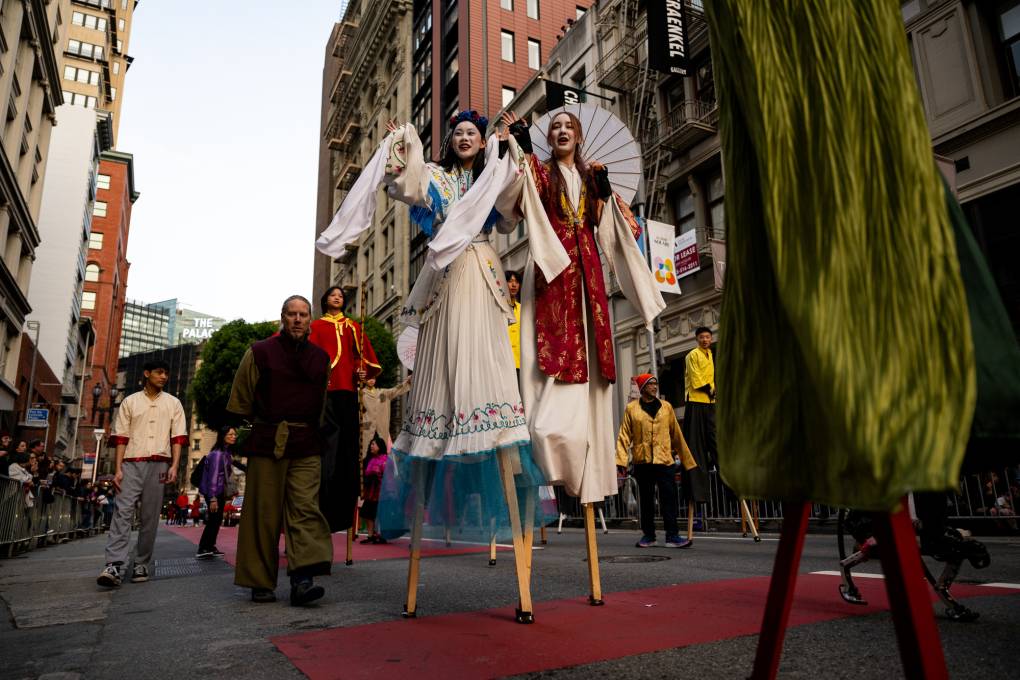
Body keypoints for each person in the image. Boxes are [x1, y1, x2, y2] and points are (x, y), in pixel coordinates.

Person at [503, 109, 666, 603]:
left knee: (592, 370)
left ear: (577, 135)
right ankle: (549, 452)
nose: (561, 133)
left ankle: (588, 468)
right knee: (548, 365)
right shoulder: (538, 171)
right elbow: (517, 203)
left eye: (567, 127)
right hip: (551, 273)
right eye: (554, 128)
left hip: (588, 274)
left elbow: (609, 225)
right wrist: (513, 144)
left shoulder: (594, 175)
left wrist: (602, 189)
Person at [227, 295, 334, 606]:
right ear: (283, 318)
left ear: (310, 320)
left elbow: (322, 407)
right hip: (267, 441)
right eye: (292, 314)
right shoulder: (259, 352)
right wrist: (232, 429)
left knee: (305, 510)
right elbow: (241, 399)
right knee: (264, 512)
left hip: (306, 442)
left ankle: (303, 580)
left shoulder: (320, 358)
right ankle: (260, 581)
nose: (298, 319)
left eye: (303, 314)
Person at [96, 360, 187, 588]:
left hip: (159, 465)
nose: (164, 376)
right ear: (147, 374)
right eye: (159, 372)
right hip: (130, 463)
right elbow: (121, 438)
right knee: (122, 512)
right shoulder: (130, 402)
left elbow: (177, 438)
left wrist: (174, 466)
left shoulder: (174, 403)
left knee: (150, 516)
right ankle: (114, 564)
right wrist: (117, 469)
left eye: (166, 373)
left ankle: (141, 563)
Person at [308, 285, 381, 535]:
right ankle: (322, 494)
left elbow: (361, 357)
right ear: (325, 299)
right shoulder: (316, 327)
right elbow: (309, 357)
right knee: (328, 443)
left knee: (348, 446)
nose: (337, 297)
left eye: (340, 295)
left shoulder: (352, 326)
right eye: (332, 294)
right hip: (326, 391)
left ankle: (346, 502)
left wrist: (361, 371)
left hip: (348, 390)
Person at [616, 374, 697, 548]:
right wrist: (621, 462)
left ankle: (672, 536)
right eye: (650, 384)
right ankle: (649, 535)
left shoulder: (666, 407)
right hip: (642, 462)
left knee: (669, 499)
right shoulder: (632, 408)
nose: (654, 387)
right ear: (643, 387)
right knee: (646, 501)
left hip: (664, 460)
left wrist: (687, 461)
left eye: (655, 383)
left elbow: (676, 434)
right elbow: (624, 436)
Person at [682, 327, 716, 508]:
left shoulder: (710, 354)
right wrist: (710, 390)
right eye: (702, 337)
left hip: (710, 402)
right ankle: (698, 491)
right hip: (696, 400)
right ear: (697, 339)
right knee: (696, 446)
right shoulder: (692, 355)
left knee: (715, 441)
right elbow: (696, 379)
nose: (705, 339)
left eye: (707, 337)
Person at [196, 426, 237, 559]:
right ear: (223, 436)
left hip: (220, 492)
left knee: (217, 520)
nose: (233, 436)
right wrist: (213, 498)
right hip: (214, 492)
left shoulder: (225, 453)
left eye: (234, 434)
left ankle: (210, 546)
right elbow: (213, 477)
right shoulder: (218, 454)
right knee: (213, 520)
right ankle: (203, 548)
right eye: (230, 434)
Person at [360, 375, 412, 455]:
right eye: (369, 377)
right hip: (367, 429)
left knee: (382, 454)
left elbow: (395, 390)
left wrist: (407, 382)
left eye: (373, 378)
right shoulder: (361, 394)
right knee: (366, 454)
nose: (371, 380)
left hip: (381, 428)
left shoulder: (383, 393)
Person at [360, 435, 389, 544]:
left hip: (382, 493)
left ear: (380, 446)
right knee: (368, 513)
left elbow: (389, 478)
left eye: (373, 444)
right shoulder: (369, 459)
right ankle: (370, 535)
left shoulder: (385, 460)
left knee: (380, 514)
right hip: (370, 493)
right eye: (371, 444)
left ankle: (381, 535)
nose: (371, 446)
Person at [505, 270, 522, 375]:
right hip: (505, 361)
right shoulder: (499, 308)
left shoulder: (522, 309)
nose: (514, 284)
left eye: (517, 282)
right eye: (510, 281)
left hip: (521, 362)